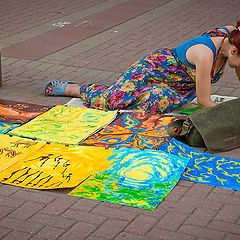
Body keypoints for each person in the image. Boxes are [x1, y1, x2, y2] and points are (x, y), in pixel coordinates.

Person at [44, 20, 240, 114]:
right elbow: (204, 102)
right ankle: (76, 89)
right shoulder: (205, 54)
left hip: (174, 87)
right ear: (233, 51)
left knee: (154, 105)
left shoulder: (233, 36)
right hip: (151, 71)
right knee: (113, 101)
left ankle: (136, 94)